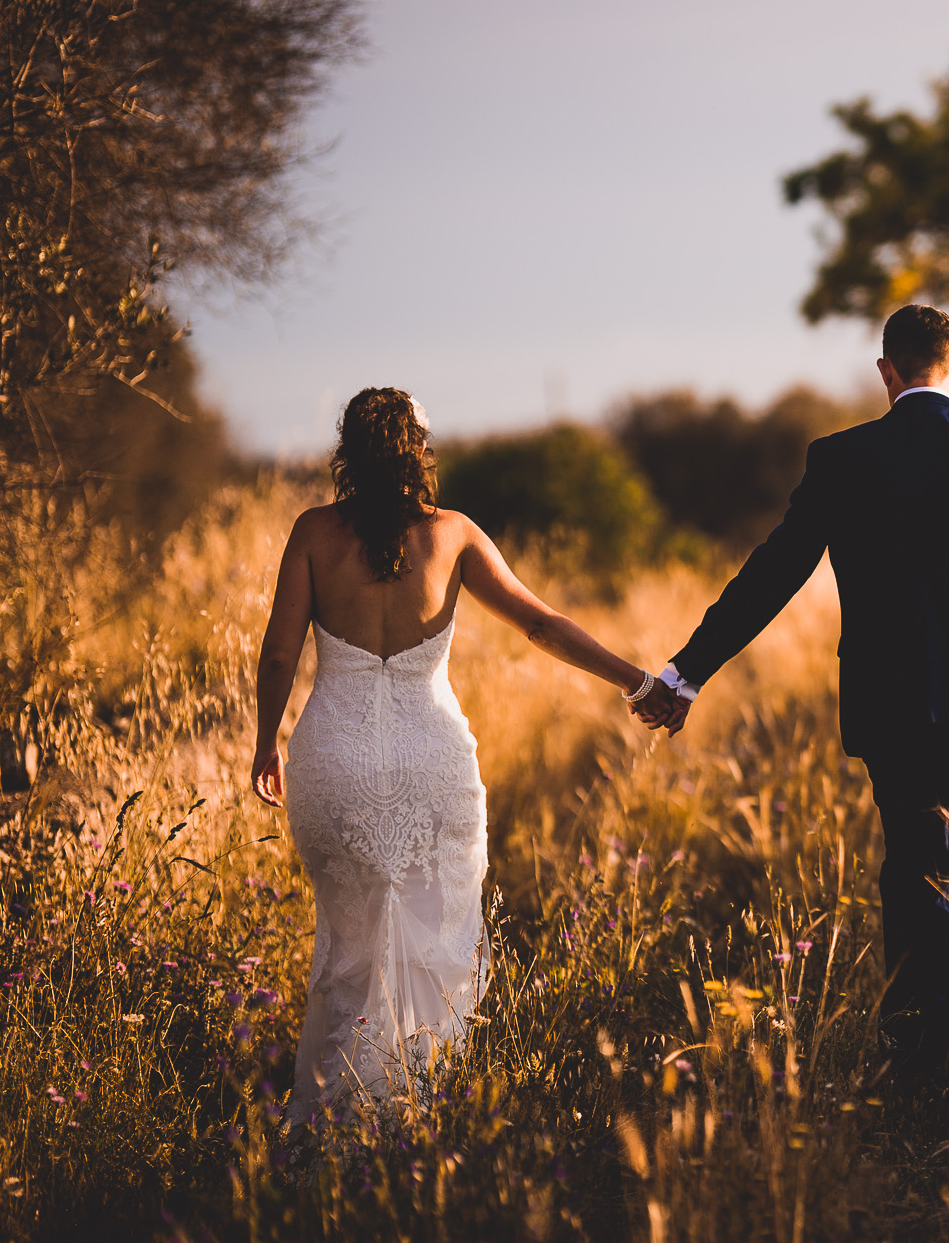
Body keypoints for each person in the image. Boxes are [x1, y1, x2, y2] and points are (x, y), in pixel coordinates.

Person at [630, 304, 949, 1085]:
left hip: (896, 705)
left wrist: (689, 669)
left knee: (916, 874)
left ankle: (916, 1063)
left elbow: (773, 572)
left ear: (886, 374)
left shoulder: (842, 458)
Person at [250, 388, 657, 1123]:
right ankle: (418, 1120)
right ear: (419, 449)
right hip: (432, 764)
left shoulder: (312, 532)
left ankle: (338, 1126)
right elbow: (539, 622)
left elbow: (279, 653)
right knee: (436, 944)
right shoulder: (455, 535)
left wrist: (263, 744)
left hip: (333, 762)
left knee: (350, 947)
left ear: (348, 451)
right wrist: (636, 680)